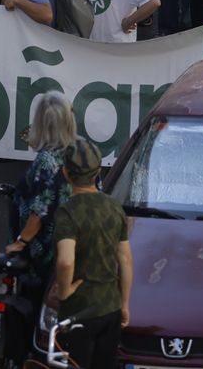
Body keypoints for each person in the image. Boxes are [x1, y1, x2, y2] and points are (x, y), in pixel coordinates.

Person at [52, 139, 131, 369]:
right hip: (110, 307)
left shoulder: (68, 213)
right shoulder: (114, 207)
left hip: (79, 312)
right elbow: (125, 259)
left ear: (66, 173)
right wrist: (124, 304)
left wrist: (65, 290)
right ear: (98, 172)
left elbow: (66, 261)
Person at [3, 92, 74, 297]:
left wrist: (21, 241)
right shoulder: (79, 152)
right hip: (73, 242)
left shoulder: (46, 160)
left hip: (45, 249)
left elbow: (41, 209)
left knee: (33, 302)